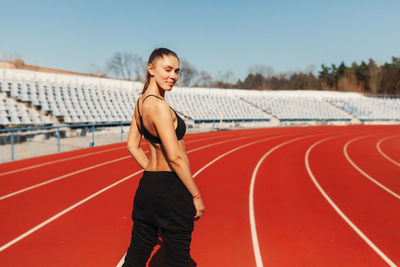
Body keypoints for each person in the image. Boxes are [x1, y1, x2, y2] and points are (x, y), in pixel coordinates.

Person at [122, 48, 205, 267]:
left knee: (137, 255)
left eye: (177, 71)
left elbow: (132, 146)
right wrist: (196, 195)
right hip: (171, 192)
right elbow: (176, 157)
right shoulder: (159, 106)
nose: (173, 76)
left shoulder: (141, 103)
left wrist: (151, 168)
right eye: (167, 69)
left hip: (148, 187)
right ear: (151, 69)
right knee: (178, 259)